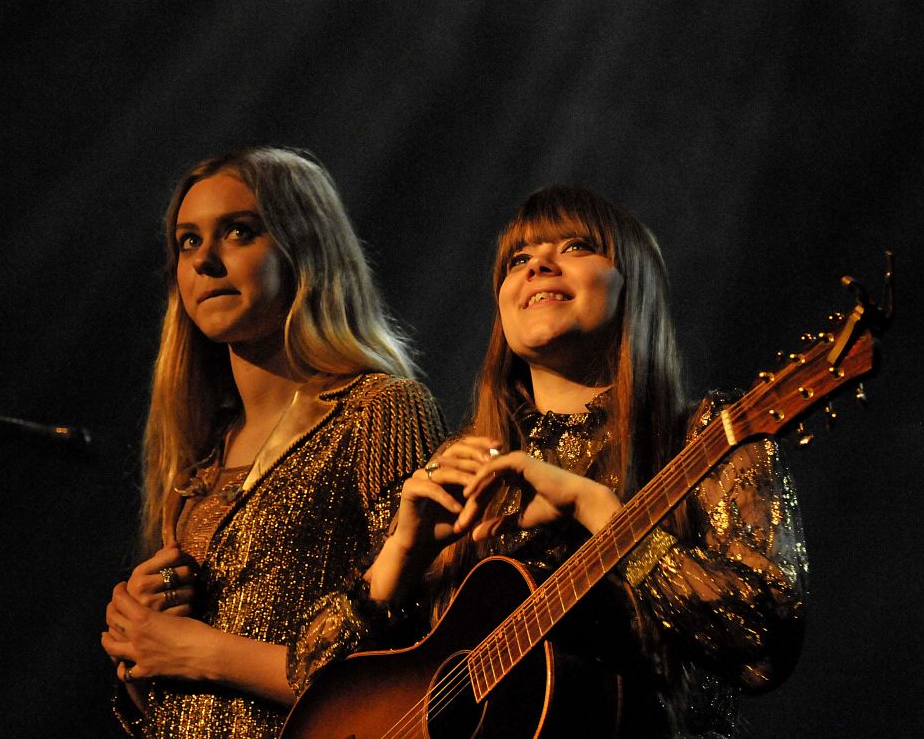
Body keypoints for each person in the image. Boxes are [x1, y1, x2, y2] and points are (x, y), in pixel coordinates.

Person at [297, 185, 808, 737]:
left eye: (576, 246)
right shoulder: (459, 470)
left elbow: (763, 646)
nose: (538, 265)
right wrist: (401, 557)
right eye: (518, 260)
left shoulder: (707, 436)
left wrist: (601, 512)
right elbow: (309, 683)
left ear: (633, 285)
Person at [100, 146, 445, 738]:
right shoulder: (199, 458)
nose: (205, 260)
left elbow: (414, 655)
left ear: (304, 249)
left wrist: (202, 651)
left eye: (239, 231)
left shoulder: (378, 409)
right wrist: (140, 650)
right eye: (187, 241)